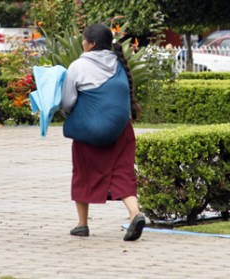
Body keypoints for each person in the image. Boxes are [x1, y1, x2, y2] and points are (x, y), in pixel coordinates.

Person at [61, 24, 145, 241]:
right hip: (121, 131)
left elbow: (68, 102)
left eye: (83, 40)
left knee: (83, 172)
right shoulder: (119, 62)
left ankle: (82, 224)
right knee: (123, 173)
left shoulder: (78, 66)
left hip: (90, 131)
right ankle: (135, 213)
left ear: (92, 44)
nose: (82, 43)